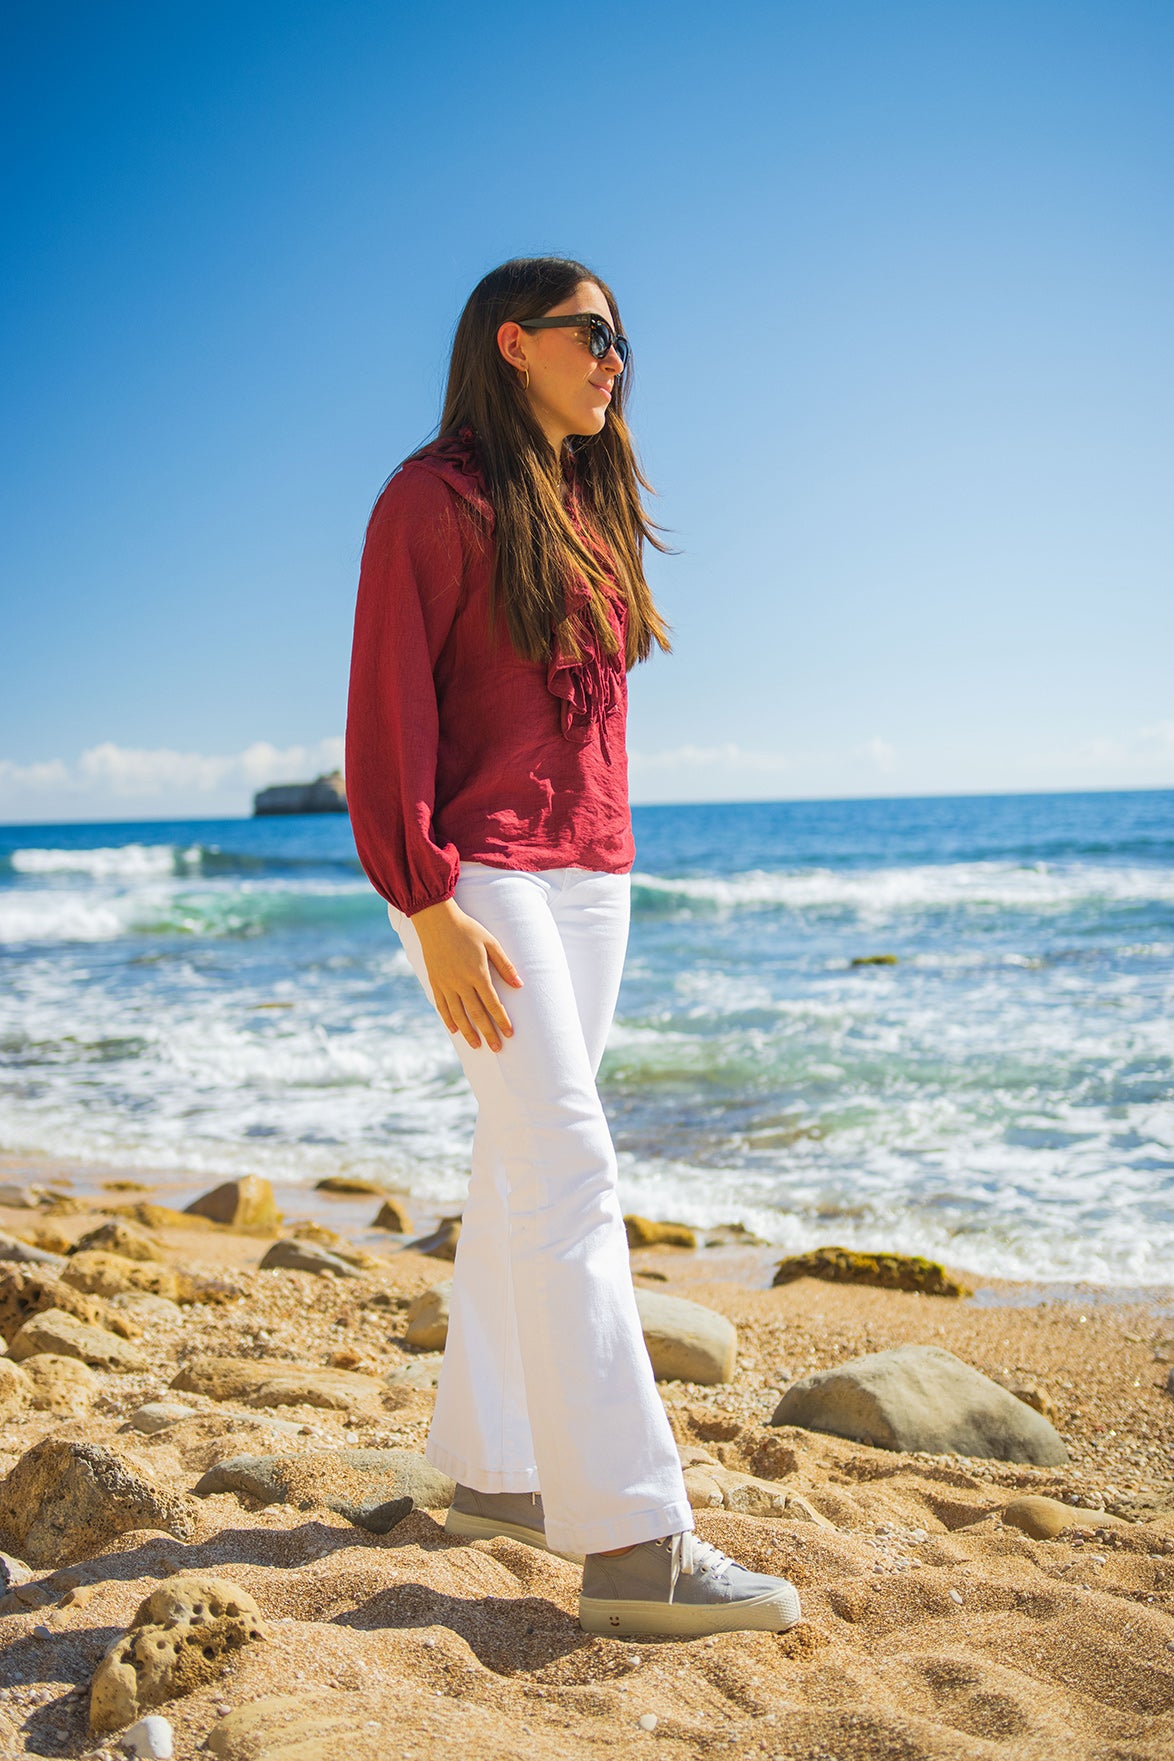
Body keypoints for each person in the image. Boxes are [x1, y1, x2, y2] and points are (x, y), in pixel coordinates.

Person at [345, 256, 801, 1638]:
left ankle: (492, 1469)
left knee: (520, 1164)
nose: (615, 359)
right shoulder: (426, 500)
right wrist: (425, 904)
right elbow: (384, 717)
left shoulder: (584, 506)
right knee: (571, 1170)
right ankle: (634, 1541)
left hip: (592, 875)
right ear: (513, 342)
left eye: (620, 341)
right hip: (480, 872)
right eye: (591, 335)